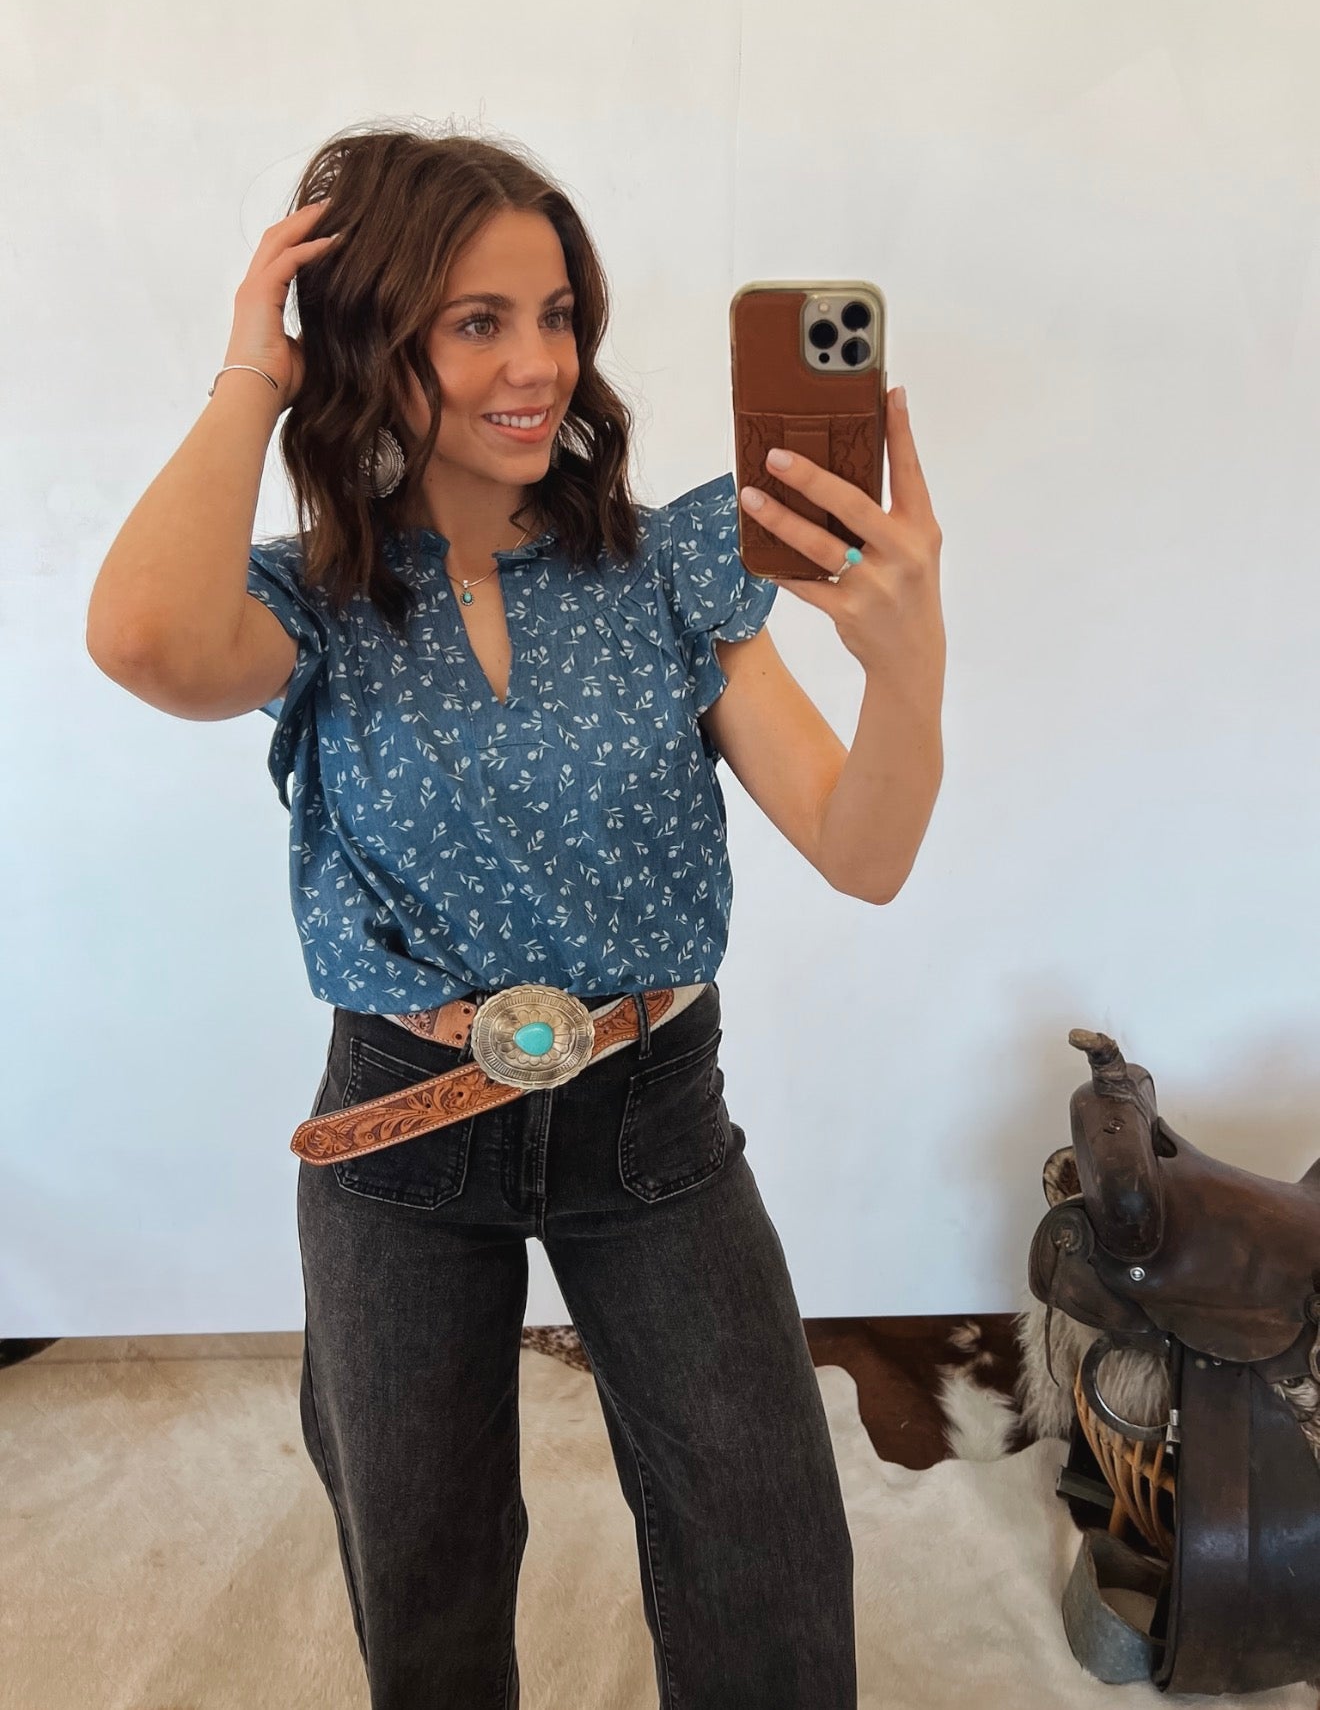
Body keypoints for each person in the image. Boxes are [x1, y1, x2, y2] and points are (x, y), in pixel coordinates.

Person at [85, 124, 945, 1710]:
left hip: (652, 1119)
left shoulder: (669, 571)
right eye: (476, 321)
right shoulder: (313, 599)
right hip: (402, 1132)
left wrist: (909, 663)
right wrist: (254, 373)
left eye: (556, 315)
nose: (538, 363)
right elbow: (140, 637)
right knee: (428, 1583)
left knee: (766, 1556)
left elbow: (862, 849)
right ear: (371, 341)